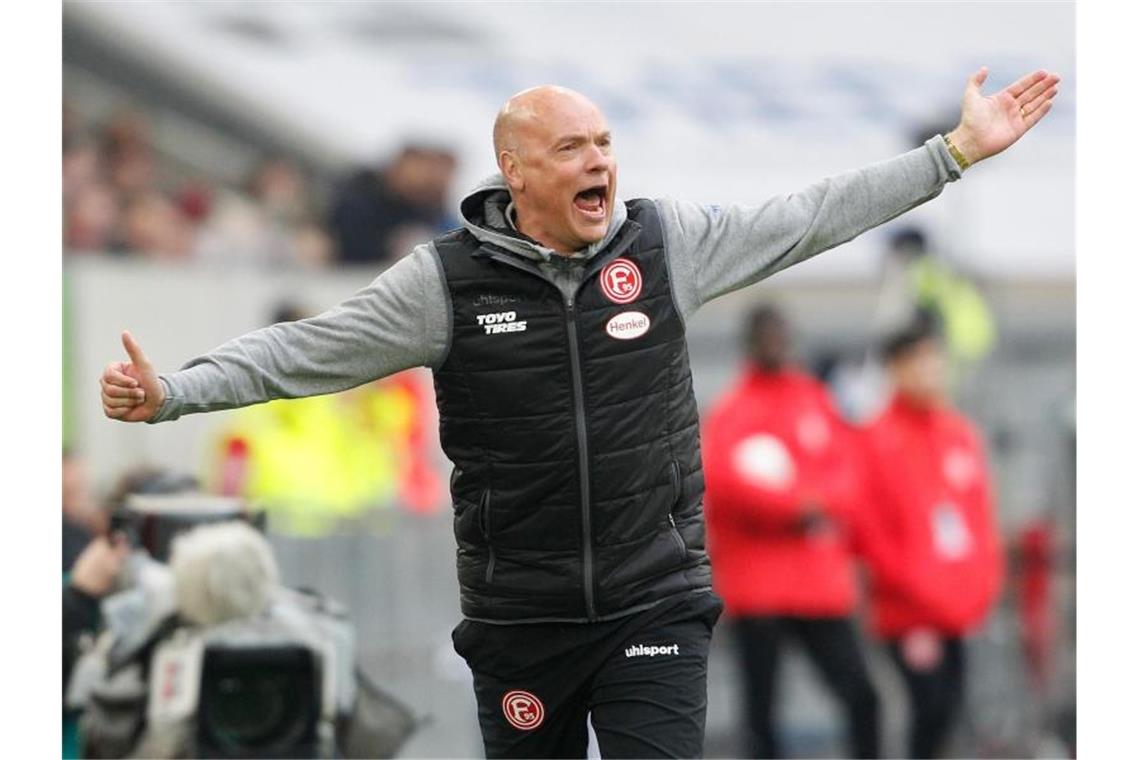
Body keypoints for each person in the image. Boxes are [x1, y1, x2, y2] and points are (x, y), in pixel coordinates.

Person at [100, 68, 1058, 757]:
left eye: (605, 142)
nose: (600, 160)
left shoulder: (664, 243)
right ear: (516, 173)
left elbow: (808, 215)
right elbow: (306, 350)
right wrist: (176, 390)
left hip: (657, 602)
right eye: (573, 148)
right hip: (521, 622)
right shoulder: (446, 285)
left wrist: (952, 155)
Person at [702, 305, 878, 758]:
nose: (776, 346)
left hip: (818, 587)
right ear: (751, 344)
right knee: (761, 714)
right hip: (758, 589)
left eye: (782, 336)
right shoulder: (734, 410)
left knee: (862, 695)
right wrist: (796, 507)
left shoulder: (815, 400)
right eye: (767, 338)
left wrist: (811, 502)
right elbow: (724, 482)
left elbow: (849, 471)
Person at [853, 317, 1004, 758]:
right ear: (895, 369)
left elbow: (979, 520)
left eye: (935, 359)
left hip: (958, 609)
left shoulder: (959, 434)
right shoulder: (876, 439)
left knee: (948, 713)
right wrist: (915, 588)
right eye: (917, 361)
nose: (930, 370)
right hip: (907, 612)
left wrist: (980, 586)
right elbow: (868, 532)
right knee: (929, 708)